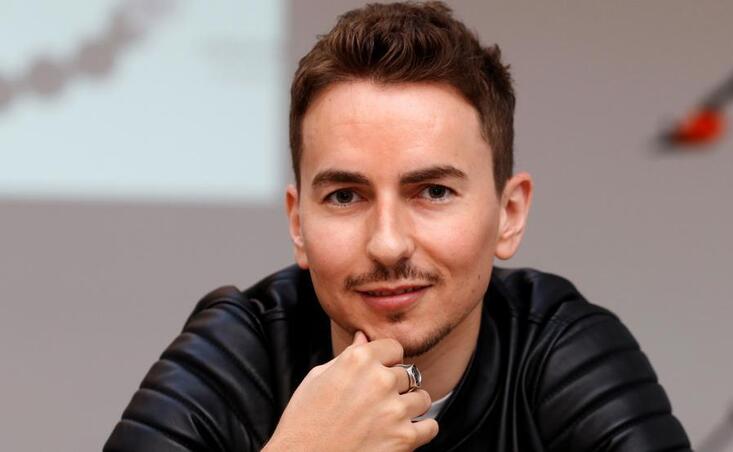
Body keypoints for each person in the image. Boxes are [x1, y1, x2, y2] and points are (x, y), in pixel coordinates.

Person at [104, 2, 692, 451]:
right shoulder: (237, 353)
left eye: (433, 192)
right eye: (345, 196)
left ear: (509, 215)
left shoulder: (561, 351)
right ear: (298, 223)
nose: (387, 244)